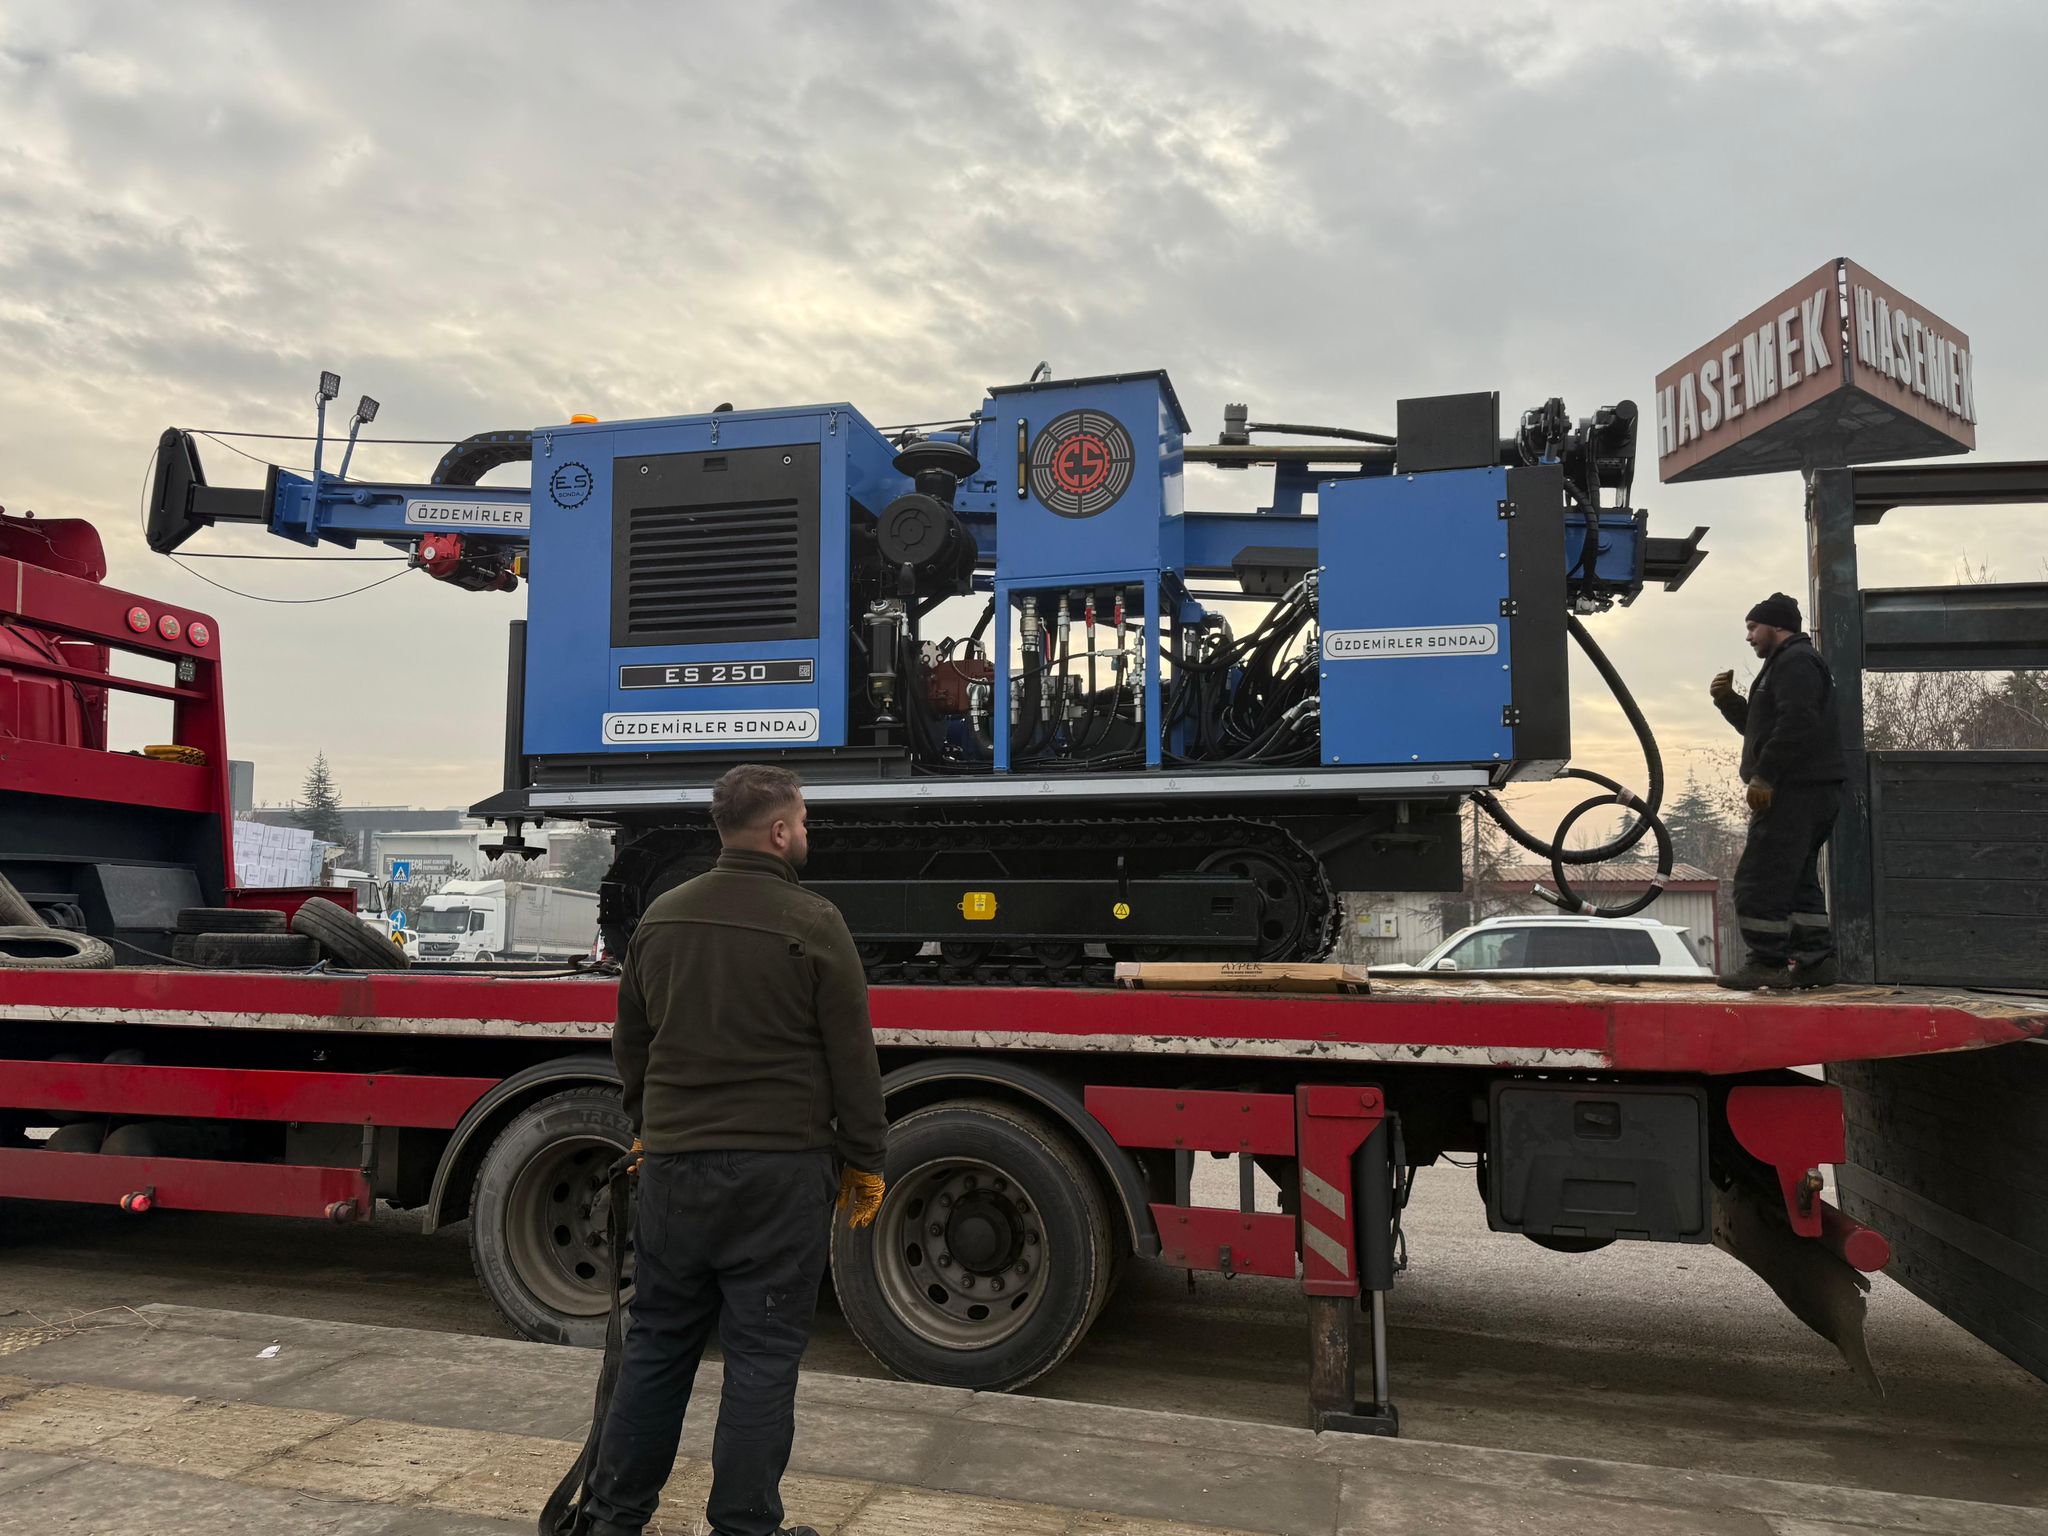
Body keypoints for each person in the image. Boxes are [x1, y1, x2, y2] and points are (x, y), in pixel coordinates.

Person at [582, 764, 889, 1536]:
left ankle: (612, 1519)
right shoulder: (815, 922)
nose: (807, 833)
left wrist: (651, 1126)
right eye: (804, 821)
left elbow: (631, 1044)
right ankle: (744, 1528)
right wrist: (866, 1160)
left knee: (657, 1346)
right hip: (780, 1177)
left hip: (676, 1172)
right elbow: (853, 1060)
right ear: (779, 832)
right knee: (761, 1358)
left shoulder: (661, 919)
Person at [1710, 592, 1847, 990]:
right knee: (1797, 878)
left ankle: (1767, 963)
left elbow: (1797, 724)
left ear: (1776, 626)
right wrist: (1728, 702)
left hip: (1794, 791)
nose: (1749, 636)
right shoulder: (1788, 664)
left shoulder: (1795, 663)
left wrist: (1765, 776)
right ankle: (1816, 961)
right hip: (1809, 790)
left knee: (1760, 877)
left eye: (1753, 627)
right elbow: (1764, 731)